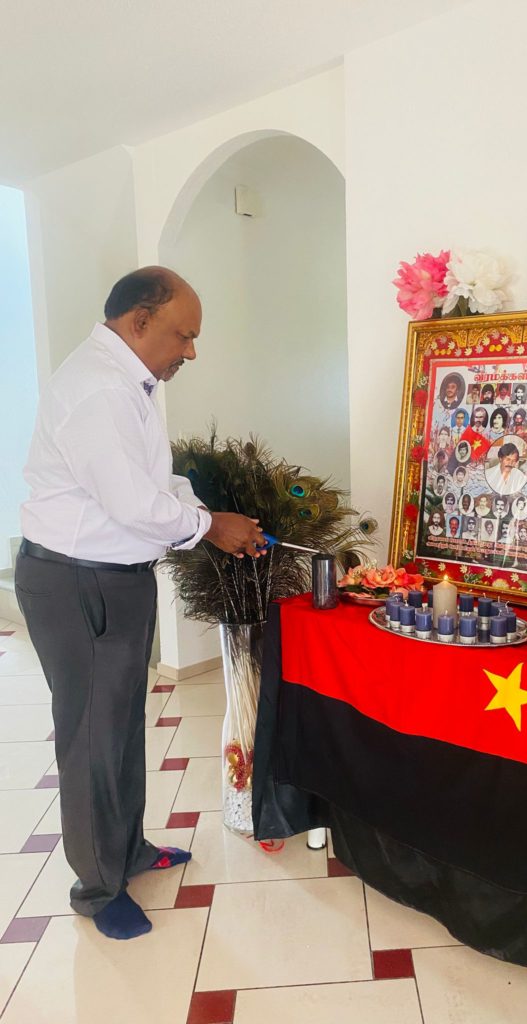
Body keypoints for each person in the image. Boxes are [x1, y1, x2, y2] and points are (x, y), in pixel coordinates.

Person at [15, 268, 267, 941]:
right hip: (78, 582)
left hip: (112, 577)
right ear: (140, 321)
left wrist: (201, 510)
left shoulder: (128, 381)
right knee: (91, 738)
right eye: (183, 335)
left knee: (122, 726)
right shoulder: (100, 388)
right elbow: (131, 502)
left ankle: (127, 850)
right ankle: (98, 889)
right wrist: (211, 527)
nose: (191, 351)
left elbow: (155, 483)